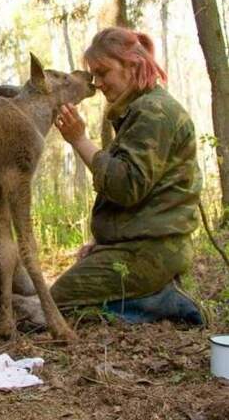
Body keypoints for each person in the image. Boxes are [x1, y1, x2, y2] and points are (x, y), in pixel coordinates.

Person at [50, 26, 206, 325]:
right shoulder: (140, 110)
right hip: (141, 247)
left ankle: (159, 303)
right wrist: (105, 244)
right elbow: (143, 198)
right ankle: (147, 295)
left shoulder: (154, 112)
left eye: (103, 72)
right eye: (93, 75)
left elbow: (126, 186)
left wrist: (79, 139)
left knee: (51, 308)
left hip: (152, 252)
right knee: (53, 302)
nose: (98, 84)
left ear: (132, 65)